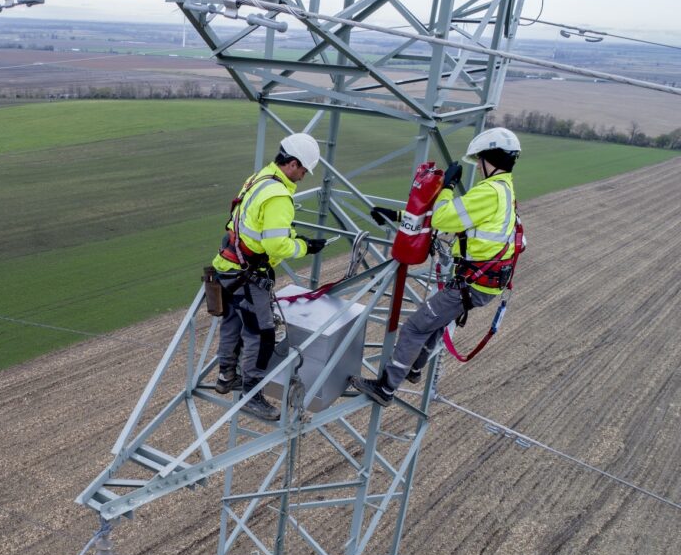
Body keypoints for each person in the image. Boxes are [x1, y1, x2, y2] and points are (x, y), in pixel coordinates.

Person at [351, 127, 523, 406]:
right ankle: (416, 368)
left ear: (488, 158)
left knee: (414, 328)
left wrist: (446, 189)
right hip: (481, 283)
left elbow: (443, 218)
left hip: (470, 285)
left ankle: (385, 389)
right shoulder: (506, 191)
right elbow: (460, 224)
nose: (478, 167)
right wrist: (397, 216)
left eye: (479, 160)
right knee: (435, 321)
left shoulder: (490, 192)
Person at [211, 133, 327, 421]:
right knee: (261, 334)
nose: (303, 176)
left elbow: (259, 227)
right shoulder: (279, 196)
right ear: (292, 163)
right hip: (248, 274)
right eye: (303, 170)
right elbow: (276, 245)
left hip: (226, 266)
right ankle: (252, 393)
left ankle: (226, 375)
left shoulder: (260, 178)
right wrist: (304, 246)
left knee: (231, 321)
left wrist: (289, 237)